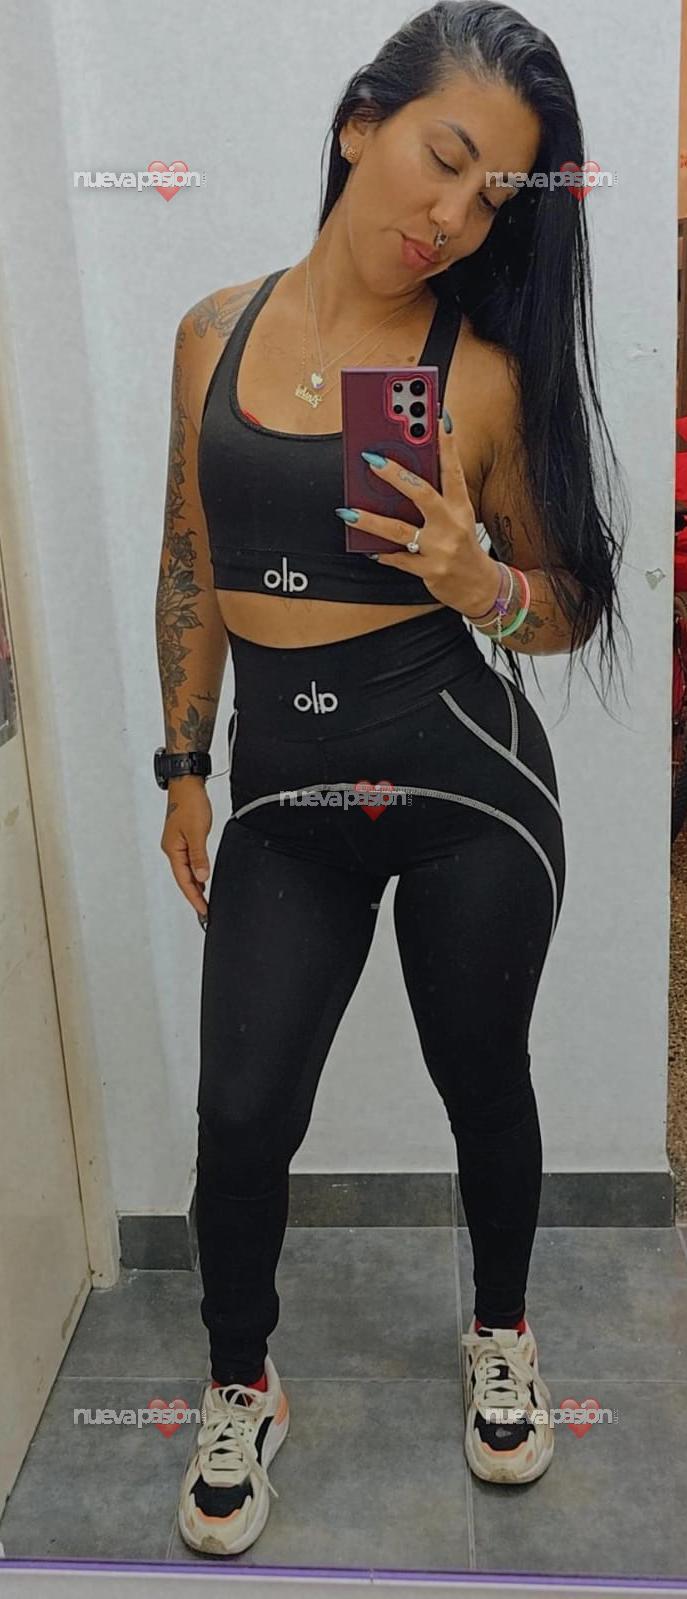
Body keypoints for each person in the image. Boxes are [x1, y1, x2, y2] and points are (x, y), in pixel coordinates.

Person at [154, 0, 629, 1559]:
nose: (452, 215)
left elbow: (569, 607)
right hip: (286, 796)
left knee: (480, 1075)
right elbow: (190, 556)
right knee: (242, 1113)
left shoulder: (479, 377)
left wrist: (483, 582)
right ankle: (242, 1379)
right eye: (444, 156)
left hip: (465, 787)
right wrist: (183, 763)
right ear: (363, 121)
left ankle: (503, 1332)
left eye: (490, 197)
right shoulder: (211, 333)